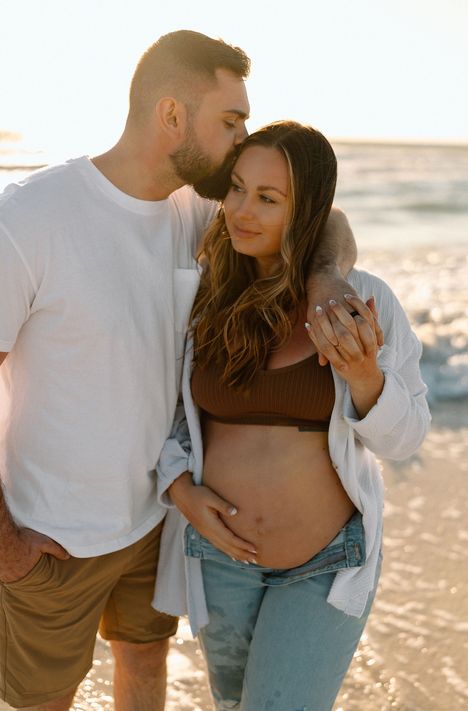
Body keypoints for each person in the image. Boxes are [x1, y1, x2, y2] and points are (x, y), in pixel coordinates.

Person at [0, 32, 358, 711]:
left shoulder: (195, 212)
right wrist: (5, 543)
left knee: (144, 665)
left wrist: (326, 277)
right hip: (50, 534)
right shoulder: (29, 216)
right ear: (172, 116)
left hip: (154, 520)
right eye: (230, 123)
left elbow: (324, 218)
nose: (241, 139)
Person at [153, 120, 431, 711]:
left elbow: (407, 439)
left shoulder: (359, 299)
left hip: (327, 565)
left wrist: (364, 378)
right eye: (236, 188)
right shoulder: (204, 298)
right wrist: (179, 487)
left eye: (269, 199)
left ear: (307, 211)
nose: (241, 210)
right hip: (218, 557)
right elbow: (169, 416)